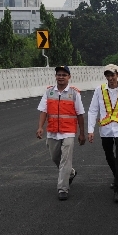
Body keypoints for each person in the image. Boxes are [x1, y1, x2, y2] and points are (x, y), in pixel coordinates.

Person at [87, 64, 118, 203]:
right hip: (105, 129)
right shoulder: (99, 90)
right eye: (108, 75)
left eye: (112, 75)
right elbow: (92, 110)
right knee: (109, 155)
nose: (110, 78)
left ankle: (117, 189)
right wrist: (90, 130)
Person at [36, 65, 86, 201]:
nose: (61, 77)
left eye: (64, 75)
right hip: (52, 131)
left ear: (69, 77)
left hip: (68, 132)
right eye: (59, 74)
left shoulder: (74, 93)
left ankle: (62, 188)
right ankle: (71, 173)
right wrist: (40, 127)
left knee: (65, 160)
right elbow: (43, 111)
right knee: (55, 158)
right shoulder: (48, 92)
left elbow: (80, 114)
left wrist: (82, 133)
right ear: (55, 76)